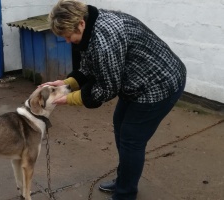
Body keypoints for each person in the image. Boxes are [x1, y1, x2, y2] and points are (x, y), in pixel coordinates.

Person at [41, 0, 187, 199]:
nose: (67, 41)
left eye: (68, 36)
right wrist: (68, 83)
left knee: (131, 139)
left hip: (159, 84)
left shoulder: (105, 37)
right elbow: (89, 65)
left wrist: (70, 98)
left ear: (81, 24)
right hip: (135, 81)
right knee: (120, 125)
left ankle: (125, 194)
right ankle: (124, 180)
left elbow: (107, 88)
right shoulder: (90, 27)